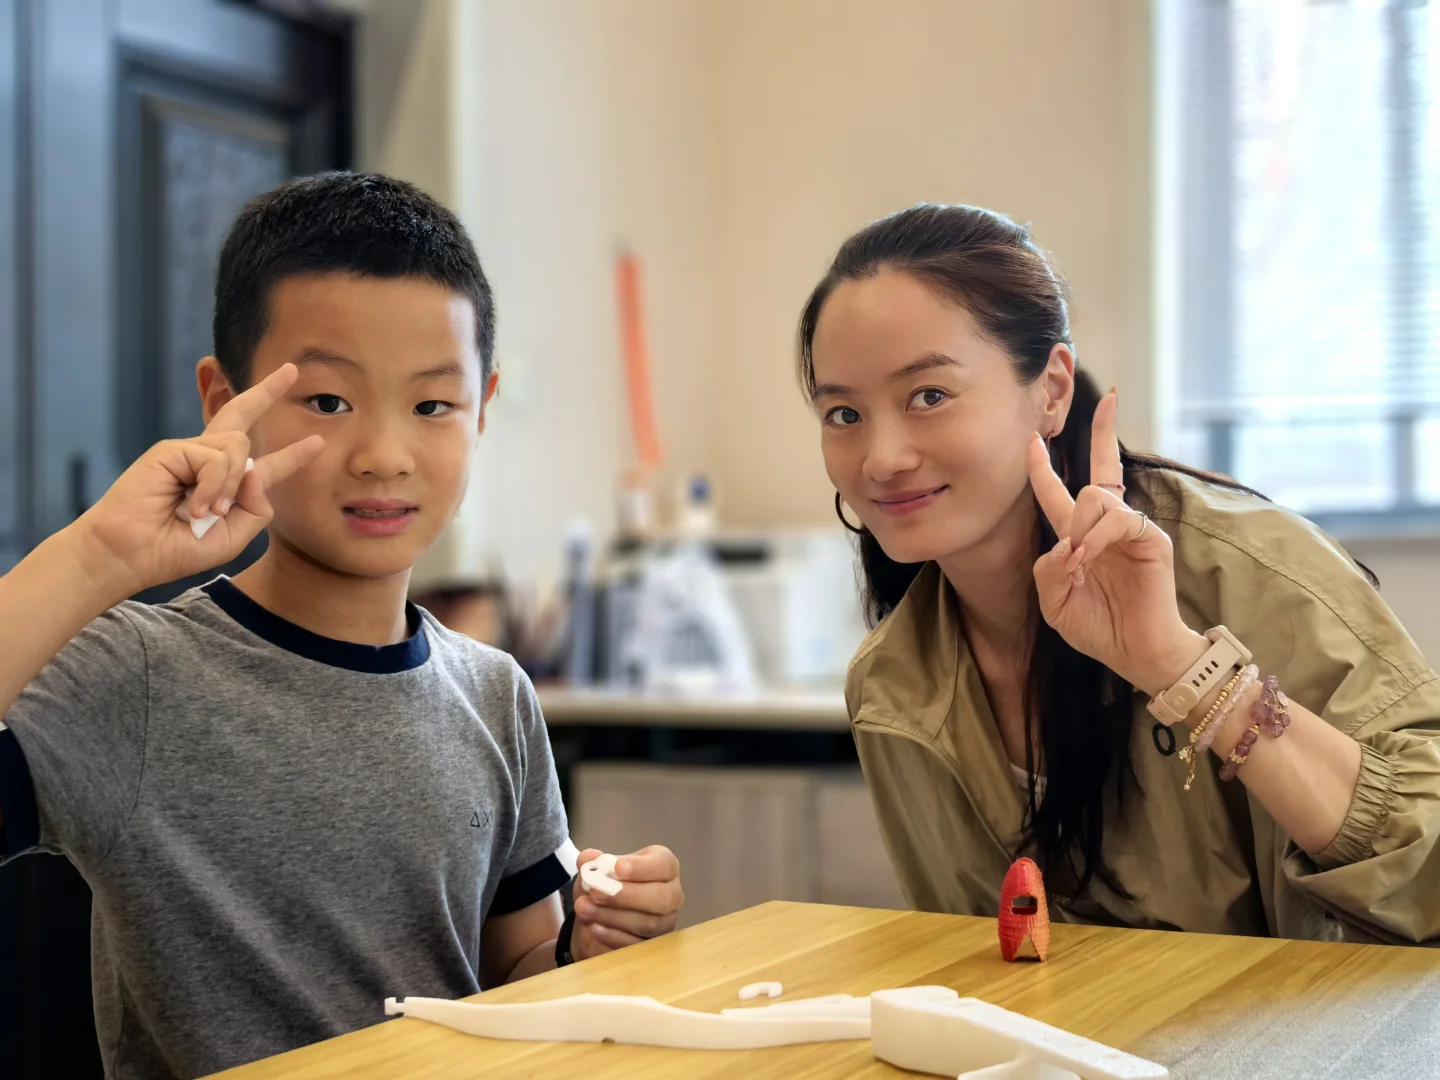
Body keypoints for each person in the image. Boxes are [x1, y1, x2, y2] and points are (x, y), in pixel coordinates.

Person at [0, 173, 684, 1079]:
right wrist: (96, 558)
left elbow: (514, 971)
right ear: (222, 403)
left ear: (482, 407)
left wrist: (587, 948)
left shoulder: (495, 693)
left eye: (433, 405)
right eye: (328, 402)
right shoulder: (136, 675)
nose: (384, 455)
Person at [800, 203, 1440, 945]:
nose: (881, 459)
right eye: (843, 414)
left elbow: (1425, 872)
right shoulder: (892, 687)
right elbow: (978, 973)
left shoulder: (1249, 569)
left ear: (1051, 391)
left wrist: (1182, 666)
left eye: (930, 396)